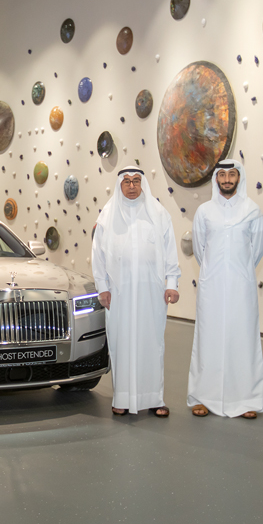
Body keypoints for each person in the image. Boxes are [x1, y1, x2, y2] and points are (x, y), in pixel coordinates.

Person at [91, 166, 180, 417]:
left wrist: (171, 283)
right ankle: (122, 398)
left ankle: (154, 398)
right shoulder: (107, 216)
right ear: (119, 184)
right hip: (119, 293)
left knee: (152, 343)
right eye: (127, 181)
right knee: (121, 343)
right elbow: (98, 255)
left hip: (151, 292)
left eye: (136, 181)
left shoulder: (159, 214)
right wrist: (103, 288)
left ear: (143, 184)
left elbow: (170, 250)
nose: (132, 186)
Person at [187, 160, 263, 419]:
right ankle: (202, 397)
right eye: (222, 175)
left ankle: (246, 399)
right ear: (216, 179)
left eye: (232, 174)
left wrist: (238, 272)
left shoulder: (252, 210)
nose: (227, 179)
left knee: (242, 340)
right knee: (207, 340)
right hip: (212, 287)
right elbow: (200, 250)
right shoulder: (204, 211)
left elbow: (256, 252)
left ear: (239, 177)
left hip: (241, 288)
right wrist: (216, 272)